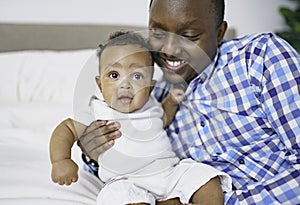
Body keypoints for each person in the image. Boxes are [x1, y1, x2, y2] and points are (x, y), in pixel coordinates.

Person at [53, 0, 300, 204]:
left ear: (220, 33)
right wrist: (90, 151)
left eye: (189, 35)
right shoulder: (151, 93)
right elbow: (126, 165)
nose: (169, 49)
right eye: (158, 34)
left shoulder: (258, 58)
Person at [49, 31, 232, 205]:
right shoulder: (97, 110)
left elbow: (163, 119)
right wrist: (61, 160)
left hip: (167, 173)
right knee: (121, 196)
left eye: (137, 76)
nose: (125, 84)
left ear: (150, 87)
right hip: (126, 180)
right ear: (100, 83)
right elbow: (66, 129)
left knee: (204, 179)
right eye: (114, 75)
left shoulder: (150, 105)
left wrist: (172, 102)